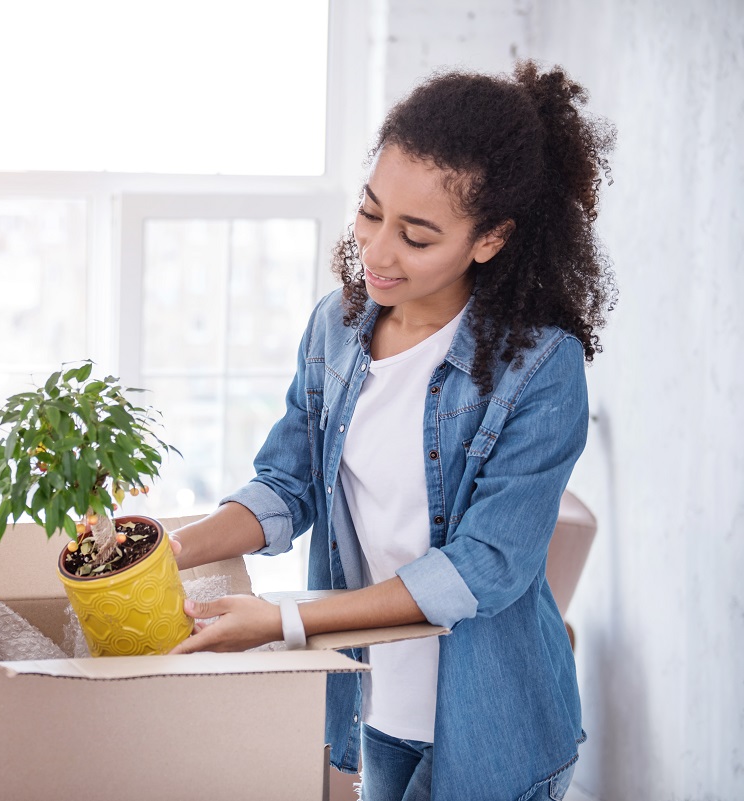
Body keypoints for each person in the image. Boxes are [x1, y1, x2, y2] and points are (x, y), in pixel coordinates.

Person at [167, 61, 615, 801]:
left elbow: (483, 568)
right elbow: (288, 483)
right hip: (378, 706)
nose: (377, 252)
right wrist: (167, 545)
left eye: (416, 235)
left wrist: (283, 620)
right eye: (371, 213)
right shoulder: (337, 327)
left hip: (495, 727)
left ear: (491, 239)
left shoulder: (541, 369)